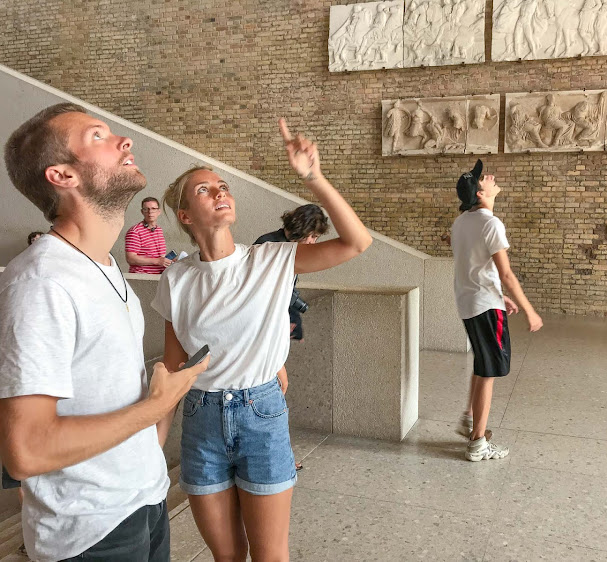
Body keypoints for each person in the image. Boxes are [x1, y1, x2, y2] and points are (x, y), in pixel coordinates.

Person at [152, 118, 371, 562]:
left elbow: (356, 242)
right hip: (201, 418)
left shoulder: (271, 258)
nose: (220, 193)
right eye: (204, 190)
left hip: (261, 413)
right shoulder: (177, 278)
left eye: (223, 186)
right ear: (185, 215)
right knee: (227, 556)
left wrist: (314, 178)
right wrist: (153, 450)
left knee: (270, 556)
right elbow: (172, 372)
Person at [0, 103, 209, 562]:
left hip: (144, 501)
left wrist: (156, 425)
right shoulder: (41, 281)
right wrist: (158, 404)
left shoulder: (105, 265)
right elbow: (27, 451)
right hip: (90, 532)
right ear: (62, 176)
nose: (124, 141)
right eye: (98, 137)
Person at [451, 159, 543, 462]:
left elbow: (474, 268)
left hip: (471, 303)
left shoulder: (461, 222)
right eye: (483, 178)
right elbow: (506, 274)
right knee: (489, 371)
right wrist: (530, 311)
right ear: (480, 193)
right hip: (484, 305)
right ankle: (478, 441)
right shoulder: (490, 223)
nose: (489, 177)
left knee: (482, 363)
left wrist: (499, 298)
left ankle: (470, 418)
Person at [254, 203, 329, 341]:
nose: (313, 242)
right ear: (301, 228)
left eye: (316, 237)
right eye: (312, 236)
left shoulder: (291, 247)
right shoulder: (269, 245)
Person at [125, 196, 172, 274]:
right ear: (142, 212)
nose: (150, 212)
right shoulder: (135, 231)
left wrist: (168, 261)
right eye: (146, 209)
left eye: (153, 209)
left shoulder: (159, 230)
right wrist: (157, 261)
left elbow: (160, 258)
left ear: (159, 212)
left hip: (158, 277)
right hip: (141, 278)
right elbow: (131, 258)